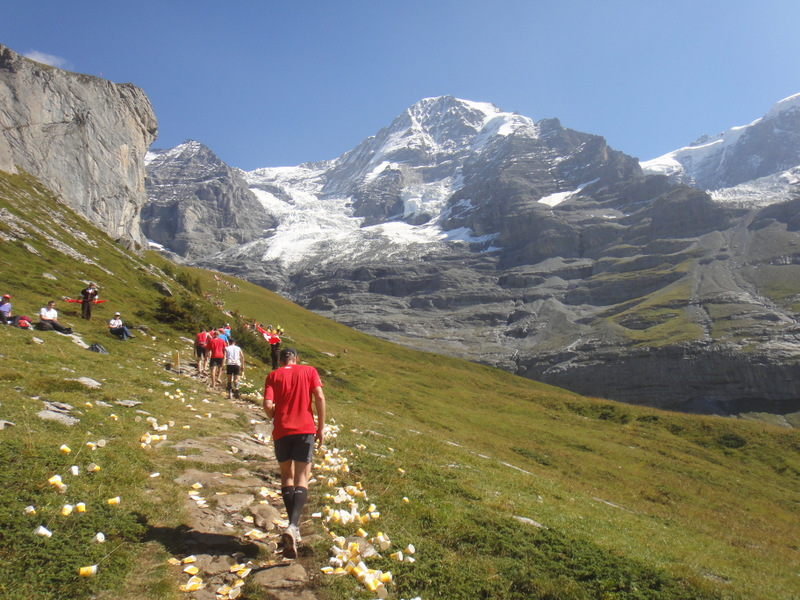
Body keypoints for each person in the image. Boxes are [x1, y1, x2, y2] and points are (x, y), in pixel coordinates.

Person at [263, 347, 326, 559]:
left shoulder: (273, 375)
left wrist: (275, 415)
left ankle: (293, 528)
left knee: (286, 477)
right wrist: (321, 427)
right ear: (296, 359)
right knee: (302, 478)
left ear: (281, 361)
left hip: (282, 430)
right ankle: (292, 526)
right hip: (305, 429)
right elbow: (319, 396)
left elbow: (267, 405)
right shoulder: (309, 371)